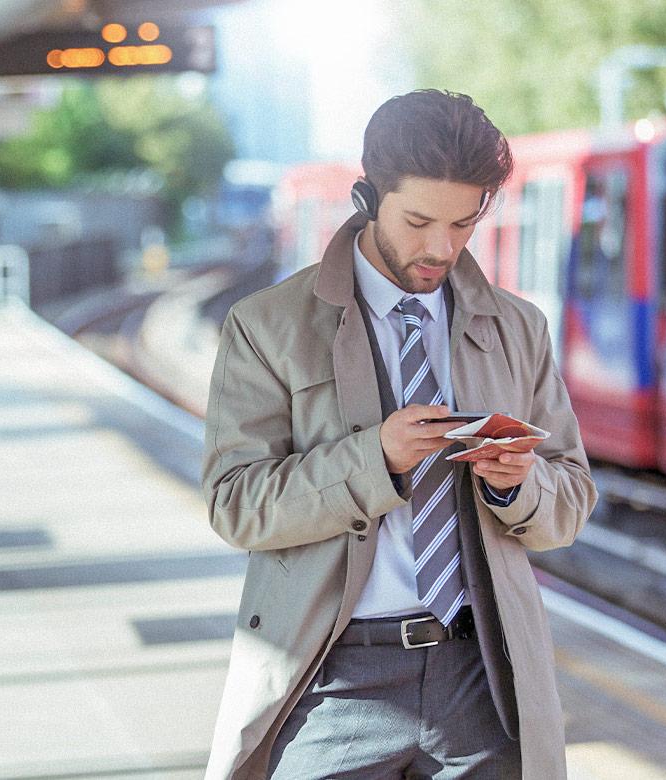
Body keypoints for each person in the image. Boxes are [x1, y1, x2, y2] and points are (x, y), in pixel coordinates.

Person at [201, 89, 596, 780]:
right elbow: (235, 505)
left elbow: (570, 500)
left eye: (464, 223)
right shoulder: (267, 326)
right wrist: (372, 458)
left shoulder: (517, 328)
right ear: (366, 196)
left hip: (484, 676)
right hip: (331, 675)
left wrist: (520, 485)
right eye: (418, 221)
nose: (440, 247)